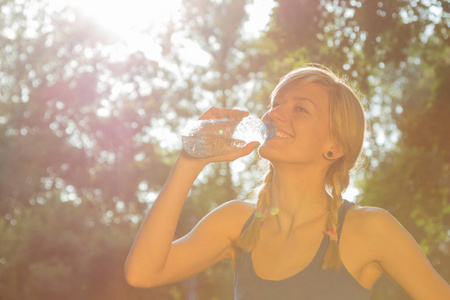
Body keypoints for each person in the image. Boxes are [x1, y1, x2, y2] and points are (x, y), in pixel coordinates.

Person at [125, 65, 450, 299]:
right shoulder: (237, 222)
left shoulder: (370, 228)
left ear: (334, 147)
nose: (275, 113)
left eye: (300, 109)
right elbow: (142, 273)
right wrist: (189, 160)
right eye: (276, 104)